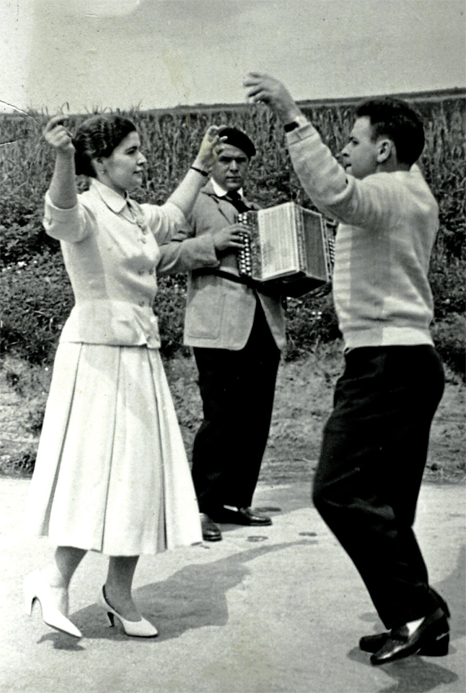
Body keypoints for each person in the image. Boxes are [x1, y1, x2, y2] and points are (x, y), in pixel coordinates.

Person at [244, 72, 449, 665]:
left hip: (385, 364)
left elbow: (337, 195)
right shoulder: (409, 193)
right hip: (407, 360)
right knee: (388, 504)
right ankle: (419, 621)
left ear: (383, 149)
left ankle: (417, 611)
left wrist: (291, 116)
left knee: (337, 491)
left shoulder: (390, 190)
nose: (343, 149)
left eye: (353, 141)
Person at [23, 113, 221, 639]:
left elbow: (174, 216)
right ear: (100, 160)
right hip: (96, 357)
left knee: (138, 475)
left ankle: (119, 591)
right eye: (131, 151)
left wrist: (201, 164)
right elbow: (59, 213)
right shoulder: (86, 209)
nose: (142, 159)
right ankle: (54, 580)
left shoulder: (134, 212)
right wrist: (64, 157)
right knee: (96, 473)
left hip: (139, 353)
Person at [157, 126, 286, 542]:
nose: (233, 167)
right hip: (216, 326)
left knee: (255, 417)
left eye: (240, 161)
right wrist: (213, 242)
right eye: (224, 159)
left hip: (263, 323)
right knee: (221, 418)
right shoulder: (192, 202)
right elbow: (161, 255)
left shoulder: (256, 208)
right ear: (211, 162)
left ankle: (236, 500)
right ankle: (201, 507)